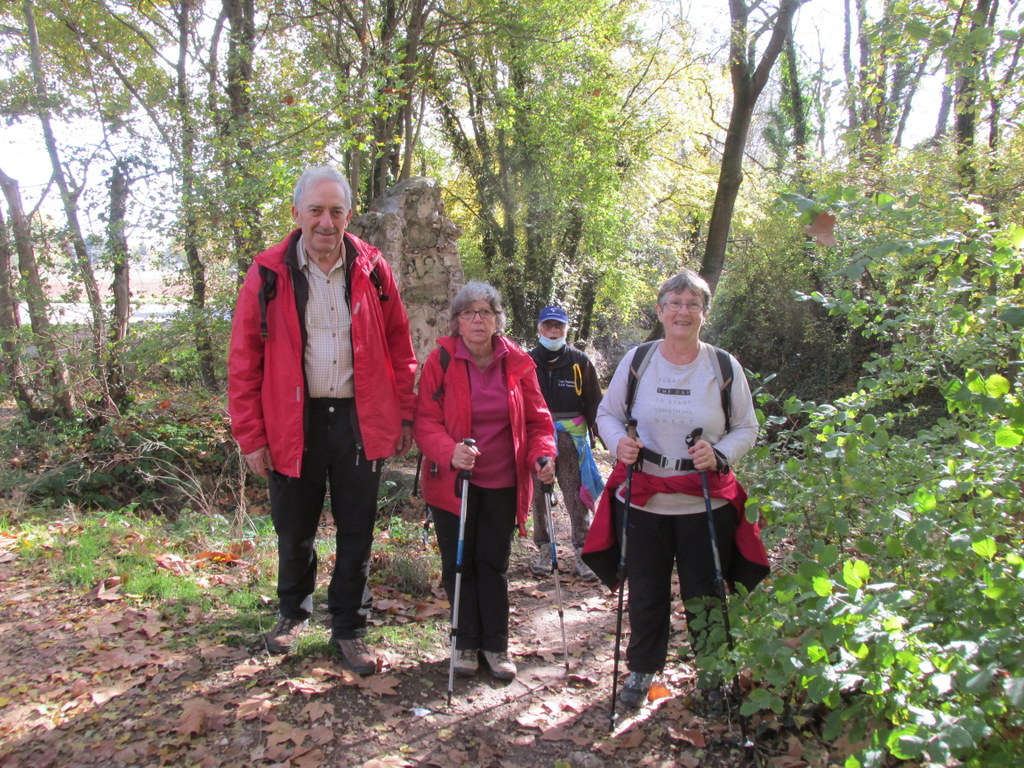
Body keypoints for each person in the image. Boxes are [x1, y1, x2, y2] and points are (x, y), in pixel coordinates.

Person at [228, 166, 418, 675]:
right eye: (316, 210)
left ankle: (349, 626)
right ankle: (293, 613)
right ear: (297, 214)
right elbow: (244, 361)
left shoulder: (374, 269)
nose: (326, 222)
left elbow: (401, 348)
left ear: (349, 215)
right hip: (294, 420)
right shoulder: (268, 273)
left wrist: (403, 415)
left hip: (360, 418)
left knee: (357, 530)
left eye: (336, 211)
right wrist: (251, 436)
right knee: (294, 530)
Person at [587, 269, 767, 708]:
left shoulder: (723, 366)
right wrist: (618, 443)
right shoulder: (639, 360)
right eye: (675, 303)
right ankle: (643, 670)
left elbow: (746, 426)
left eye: (692, 304)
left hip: (704, 501)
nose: (683, 311)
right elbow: (606, 414)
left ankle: (713, 674)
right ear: (660, 310)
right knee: (646, 590)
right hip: (645, 495)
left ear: (704, 313)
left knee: (705, 592)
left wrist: (720, 454)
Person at [413, 282, 556, 681]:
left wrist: (542, 456)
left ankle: (495, 645)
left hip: (502, 482)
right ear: (457, 320)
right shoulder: (440, 360)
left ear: (497, 319)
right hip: (452, 483)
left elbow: (538, 421)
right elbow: (425, 422)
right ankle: (463, 643)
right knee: (458, 565)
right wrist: (449, 451)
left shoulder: (518, 362)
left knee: (493, 565)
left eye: (486, 312)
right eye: (468, 312)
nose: (477, 319)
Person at [527, 305, 604, 583]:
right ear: (539, 328)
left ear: (566, 329)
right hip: (536, 437)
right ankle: (545, 550)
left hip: (572, 437)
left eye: (558, 326)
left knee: (575, 495)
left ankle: (583, 552)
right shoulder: (526, 361)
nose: (553, 331)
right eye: (548, 326)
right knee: (539, 496)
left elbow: (595, 402)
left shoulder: (579, 361)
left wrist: (606, 436)